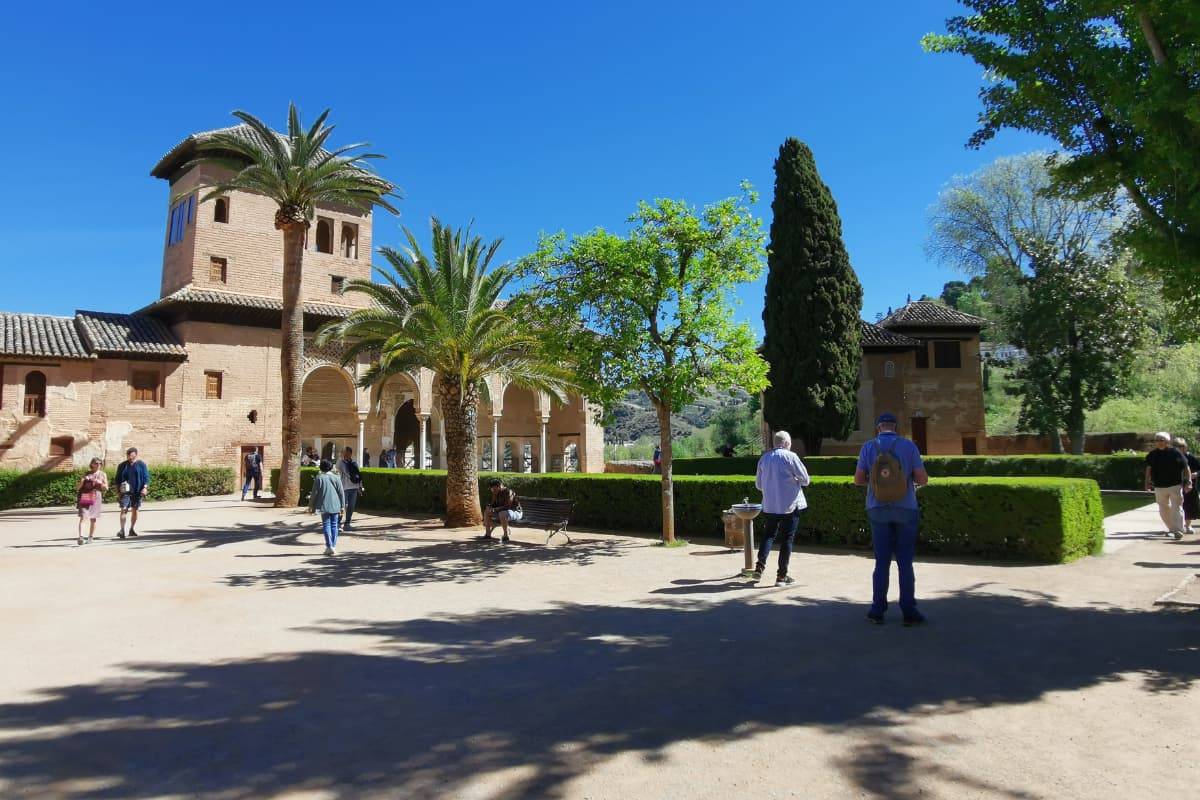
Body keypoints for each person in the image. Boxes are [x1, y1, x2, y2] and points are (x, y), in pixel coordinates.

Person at [854, 412, 929, 626]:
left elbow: (858, 479)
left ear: (878, 428)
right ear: (895, 427)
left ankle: (877, 610)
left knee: (881, 562)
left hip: (877, 508)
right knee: (905, 562)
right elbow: (922, 478)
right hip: (906, 508)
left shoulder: (868, 447)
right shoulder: (909, 446)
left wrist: (877, 481)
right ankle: (908, 611)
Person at [753, 430, 811, 586]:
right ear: (786, 443)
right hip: (790, 506)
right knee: (787, 540)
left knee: (768, 535)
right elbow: (805, 480)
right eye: (790, 443)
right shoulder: (791, 457)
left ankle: (759, 566)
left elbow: (758, 485)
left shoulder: (764, 459)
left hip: (770, 505)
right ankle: (781, 576)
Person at [1146, 432, 1191, 538]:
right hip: (1159, 486)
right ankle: (1172, 528)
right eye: (1157, 440)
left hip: (1175, 485)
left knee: (1177, 507)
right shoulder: (1152, 454)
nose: (1159, 442)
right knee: (1163, 508)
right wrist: (1147, 483)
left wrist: (1189, 481)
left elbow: (1186, 467)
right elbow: (1148, 469)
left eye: (1161, 440)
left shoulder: (1175, 452)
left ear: (1167, 441)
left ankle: (1178, 530)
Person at [308, 458, 345, 556]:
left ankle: (329, 546)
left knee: (326, 525)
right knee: (334, 525)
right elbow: (341, 493)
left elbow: (314, 493)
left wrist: (311, 506)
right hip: (336, 505)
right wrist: (342, 506)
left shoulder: (319, 478)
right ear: (330, 467)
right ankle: (333, 546)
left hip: (324, 505)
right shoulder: (336, 477)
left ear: (321, 467)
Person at [115, 447, 150, 539]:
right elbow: (117, 480)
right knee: (124, 509)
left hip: (137, 491)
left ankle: (131, 529)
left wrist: (145, 488)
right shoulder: (122, 465)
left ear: (135, 455)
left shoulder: (141, 464)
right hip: (125, 491)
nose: (129, 456)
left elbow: (146, 477)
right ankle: (122, 530)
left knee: (135, 511)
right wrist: (118, 492)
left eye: (131, 454)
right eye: (128, 454)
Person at [75, 457, 109, 545]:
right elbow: (78, 487)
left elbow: (106, 488)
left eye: (100, 463)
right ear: (92, 464)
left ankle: (90, 537)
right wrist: (82, 481)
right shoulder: (87, 473)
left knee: (93, 518)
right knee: (83, 516)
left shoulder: (102, 474)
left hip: (96, 496)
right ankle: (81, 537)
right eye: (96, 463)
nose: (98, 465)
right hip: (86, 495)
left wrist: (99, 482)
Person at [481, 478, 522, 543]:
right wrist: (489, 507)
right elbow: (493, 504)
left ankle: (505, 536)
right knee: (487, 512)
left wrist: (495, 509)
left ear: (499, 486)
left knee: (502, 513)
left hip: (515, 512)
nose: (493, 491)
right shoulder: (496, 493)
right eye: (492, 489)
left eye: (494, 489)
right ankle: (488, 534)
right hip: (503, 512)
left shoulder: (508, 492)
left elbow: (507, 506)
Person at [336, 446, 365, 532]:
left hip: (354, 487)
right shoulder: (341, 462)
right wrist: (340, 457)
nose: (345, 454)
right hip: (344, 487)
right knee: (342, 506)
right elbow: (339, 468)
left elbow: (358, 475)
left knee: (351, 506)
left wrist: (360, 486)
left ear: (350, 453)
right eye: (344, 453)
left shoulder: (354, 462)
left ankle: (347, 523)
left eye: (347, 452)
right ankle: (337, 523)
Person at [1175, 437, 1200, 528]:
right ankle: (1177, 526)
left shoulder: (1190, 457)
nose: (1180, 448)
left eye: (1182, 446)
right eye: (1177, 446)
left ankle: (1188, 525)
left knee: (1189, 505)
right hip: (1176, 484)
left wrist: (1195, 474)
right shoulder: (1173, 457)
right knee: (1177, 505)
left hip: (1189, 485)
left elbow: (1199, 469)